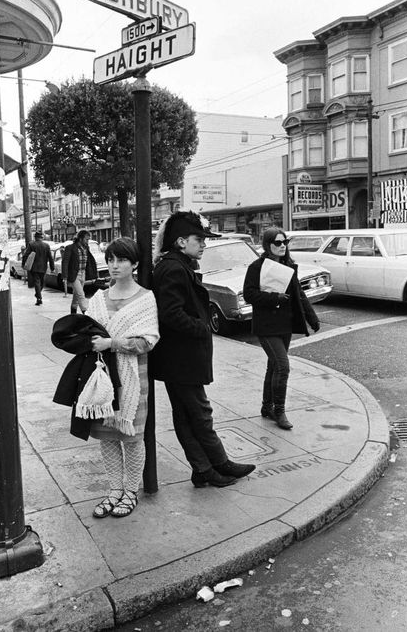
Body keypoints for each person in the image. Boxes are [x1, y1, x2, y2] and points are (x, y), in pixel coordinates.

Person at [150, 210, 256, 488]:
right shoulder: (174, 267)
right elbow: (170, 313)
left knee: (187, 415)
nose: (204, 245)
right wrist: (201, 327)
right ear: (181, 241)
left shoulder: (176, 264)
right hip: (181, 358)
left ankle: (203, 469)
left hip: (178, 358)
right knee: (199, 413)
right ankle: (218, 463)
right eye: (200, 239)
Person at [86, 237, 159, 518]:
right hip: (102, 378)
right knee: (107, 437)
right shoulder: (99, 298)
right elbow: (86, 334)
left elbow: (146, 342)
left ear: (135, 264)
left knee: (131, 437)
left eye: (122, 260)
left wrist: (111, 343)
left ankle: (130, 492)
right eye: (111, 260)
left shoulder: (145, 299)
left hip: (133, 378)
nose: (115, 266)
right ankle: (114, 490)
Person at [243, 227, 320, 430]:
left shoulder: (289, 266)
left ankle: (266, 406)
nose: (282, 246)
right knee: (283, 366)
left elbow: (299, 295)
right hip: (266, 326)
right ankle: (279, 410)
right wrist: (273, 298)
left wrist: (312, 317)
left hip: (284, 324)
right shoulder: (256, 267)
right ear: (268, 245)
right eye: (277, 243)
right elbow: (249, 294)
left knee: (274, 367)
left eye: (284, 242)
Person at [61, 230, 98, 314]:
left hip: (83, 273)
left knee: (76, 295)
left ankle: (73, 312)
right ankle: (86, 313)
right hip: (74, 275)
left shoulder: (86, 248)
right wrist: (65, 276)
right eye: (86, 239)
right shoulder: (70, 248)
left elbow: (89, 261)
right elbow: (65, 262)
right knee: (81, 295)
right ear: (80, 239)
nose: (87, 241)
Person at [21, 231, 54, 306]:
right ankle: (39, 296)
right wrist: (52, 267)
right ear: (41, 237)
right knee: (41, 282)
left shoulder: (31, 244)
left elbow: (25, 255)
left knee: (37, 282)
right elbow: (50, 257)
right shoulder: (46, 245)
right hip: (43, 267)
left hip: (34, 267)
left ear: (35, 237)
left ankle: (38, 296)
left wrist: (23, 264)